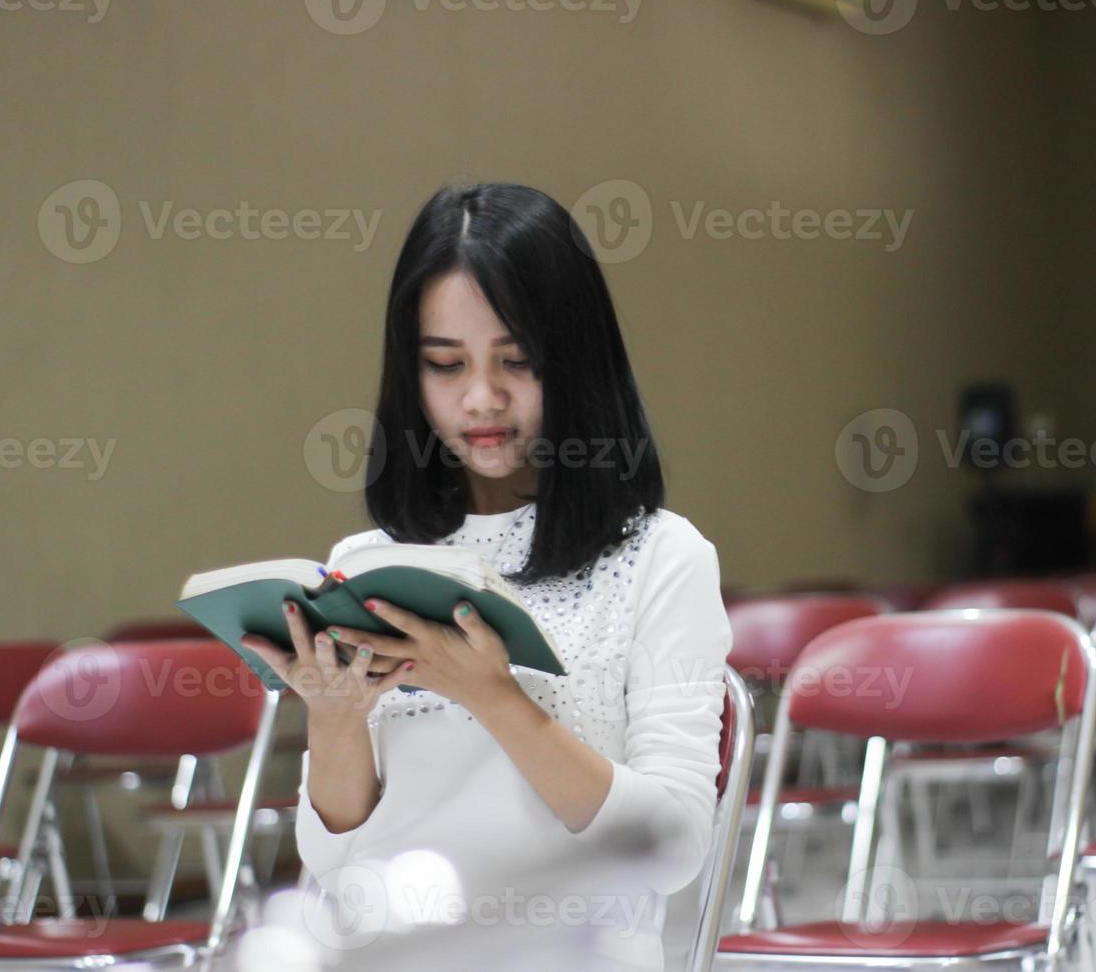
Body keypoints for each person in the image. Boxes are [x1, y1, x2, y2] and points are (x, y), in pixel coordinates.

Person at [242, 181, 731, 970]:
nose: (481, 398)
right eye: (445, 364)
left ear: (577, 363)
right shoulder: (369, 561)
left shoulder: (662, 559)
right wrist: (332, 718)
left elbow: (672, 847)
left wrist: (488, 694)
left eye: (518, 361)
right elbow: (333, 865)